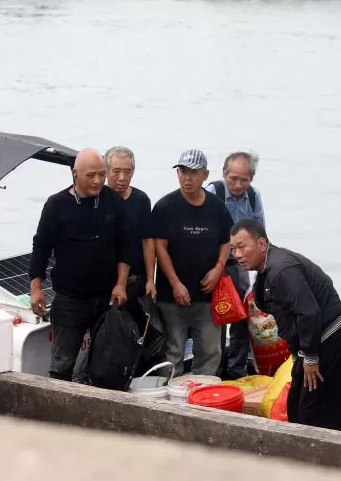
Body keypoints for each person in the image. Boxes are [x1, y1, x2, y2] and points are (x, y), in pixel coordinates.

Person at [230, 219, 341, 428]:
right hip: (310, 345)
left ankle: (321, 460)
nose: (237, 255)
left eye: (242, 247)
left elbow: (309, 313)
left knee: (315, 416)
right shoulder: (265, 271)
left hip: (331, 341)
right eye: (234, 249)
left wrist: (310, 357)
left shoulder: (282, 269)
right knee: (295, 411)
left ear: (261, 243)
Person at [29, 149, 131, 382]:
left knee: (105, 362)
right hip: (69, 299)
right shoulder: (56, 205)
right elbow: (41, 248)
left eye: (101, 175)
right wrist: (36, 288)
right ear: (75, 174)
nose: (97, 181)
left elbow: (126, 246)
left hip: (106, 298)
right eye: (91, 175)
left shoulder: (113, 201)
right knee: (63, 363)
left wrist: (121, 285)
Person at [153, 149, 234, 376]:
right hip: (172, 297)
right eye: (182, 172)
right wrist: (175, 283)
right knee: (173, 351)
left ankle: (203, 398)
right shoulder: (164, 207)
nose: (187, 178)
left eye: (193, 173)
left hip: (208, 295)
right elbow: (160, 248)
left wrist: (218, 268)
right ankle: (170, 400)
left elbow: (225, 241)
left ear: (205, 175)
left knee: (210, 350)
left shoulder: (217, 207)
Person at [207, 151, 265, 379]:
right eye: (233, 178)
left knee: (241, 313)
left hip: (241, 263)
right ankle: (216, 367)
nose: (238, 184)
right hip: (214, 262)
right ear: (224, 174)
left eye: (244, 179)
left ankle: (237, 369)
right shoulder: (214, 192)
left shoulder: (253, 196)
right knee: (217, 315)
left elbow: (260, 232)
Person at [105, 146, 157, 302]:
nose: (122, 177)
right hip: (105, 283)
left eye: (127, 172)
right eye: (116, 171)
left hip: (136, 281)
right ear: (106, 171)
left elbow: (147, 240)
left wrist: (150, 279)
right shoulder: (99, 199)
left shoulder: (141, 200)